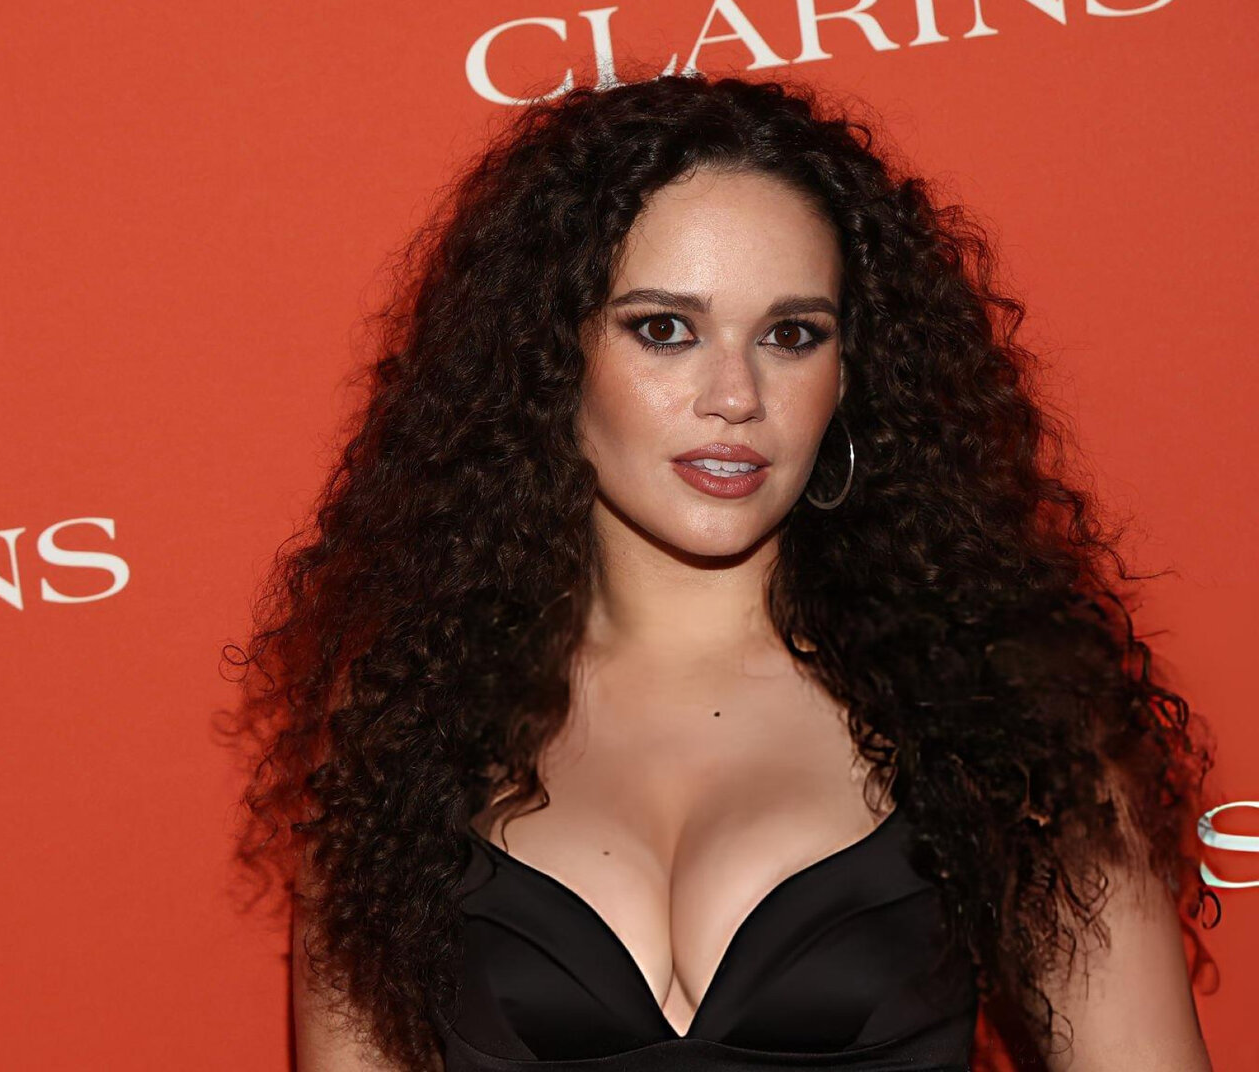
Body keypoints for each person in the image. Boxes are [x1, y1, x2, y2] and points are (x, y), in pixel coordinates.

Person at [217, 68, 1220, 1072]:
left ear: (849, 373)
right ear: (549, 357)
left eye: (791, 336)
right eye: (664, 329)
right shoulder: (410, 717)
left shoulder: (999, 706)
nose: (736, 395)